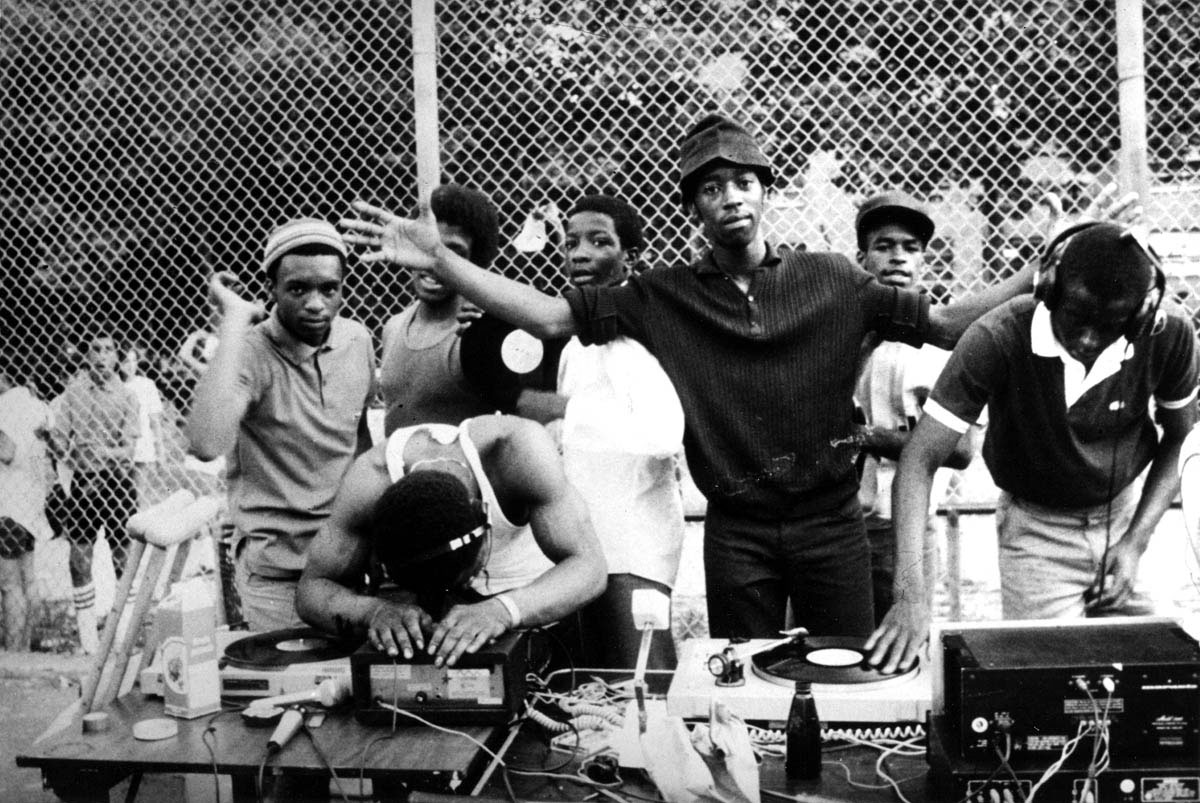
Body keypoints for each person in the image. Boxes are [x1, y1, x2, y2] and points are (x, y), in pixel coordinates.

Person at [342, 114, 1043, 670]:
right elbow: (553, 315)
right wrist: (443, 261)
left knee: (845, 680)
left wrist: (1035, 275)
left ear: (765, 191)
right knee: (744, 686)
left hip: (833, 523)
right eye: (711, 188)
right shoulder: (662, 295)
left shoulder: (835, 278)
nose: (730, 197)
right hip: (738, 530)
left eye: (742, 181)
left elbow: (950, 325)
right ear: (694, 211)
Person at [889, 222, 1197, 660]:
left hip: (1125, 516)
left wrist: (1135, 543)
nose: (1089, 338)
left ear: (1142, 313)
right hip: (1037, 532)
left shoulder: (1167, 334)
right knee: (1047, 684)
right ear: (1049, 289)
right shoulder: (997, 335)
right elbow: (919, 460)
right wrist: (909, 598)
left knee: (1163, 677)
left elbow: (1181, 438)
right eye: (1076, 318)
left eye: (1109, 326)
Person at [295, 414, 606, 668]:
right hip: (445, 637)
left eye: (464, 577)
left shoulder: (517, 450)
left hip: (541, 609)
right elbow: (312, 589)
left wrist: (502, 610)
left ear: (484, 522)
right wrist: (373, 612)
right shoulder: (370, 482)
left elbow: (589, 566)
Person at [185, 218, 375, 631]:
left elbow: (360, 445)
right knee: (292, 692)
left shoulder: (358, 341)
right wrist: (234, 318)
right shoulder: (251, 354)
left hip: (349, 566)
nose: (315, 303)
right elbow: (203, 442)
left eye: (329, 288)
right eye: (297, 289)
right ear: (272, 289)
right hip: (280, 576)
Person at [554, 194, 686, 670]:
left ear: (631, 256)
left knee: (643, 682)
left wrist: (565, 418)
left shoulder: (639, 334)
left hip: (636, 533)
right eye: (571, 243)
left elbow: (663, 434)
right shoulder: (574, 343)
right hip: (585, 534)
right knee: (590, 685)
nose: (580, 253)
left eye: (598, 241)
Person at [851, 192, 981, 625]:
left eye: (911, 248)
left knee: (903, 644)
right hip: (835, 522)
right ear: (862, 257)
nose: (898, 258)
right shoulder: (844, 332)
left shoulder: (938, 342)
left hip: (902, 524)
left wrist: (870, 438)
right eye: (884, 246)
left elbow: (961, 451)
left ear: (924, 259)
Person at [379, 185, 511, 434]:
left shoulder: (477, 330)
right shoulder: (393, 327)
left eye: (452, 252)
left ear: (475, 260)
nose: (432, 262)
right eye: (423, 247)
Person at [52, 331, 139, 653]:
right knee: (78, 559)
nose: (101, 356)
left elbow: (128, 449)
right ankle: (88, 639)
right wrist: (61, 446)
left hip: (116, 483)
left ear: (117, 356)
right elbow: (61, 439)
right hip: (83, 483)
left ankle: (123, 638)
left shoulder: (128, 395)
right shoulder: (74, 394)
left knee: (123, 558)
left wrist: (101, 452)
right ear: (87, 355)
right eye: (95, 350)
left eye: (108, 350)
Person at [0, 364, 54, 651]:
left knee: (9, 585)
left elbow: (7, 452)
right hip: (29, 504)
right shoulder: (36, 404)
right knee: (27, 578)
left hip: (6, 504)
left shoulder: (4, 406)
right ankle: (25, 647)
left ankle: (12, 651)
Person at [119, 342, 166, 508]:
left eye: (134, 361)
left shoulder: (146, 385)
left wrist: (160, 451)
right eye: (126, 361)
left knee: (140, 495)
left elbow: (155, 421)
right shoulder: (115, 386)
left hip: (142, 445)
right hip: (120, 447)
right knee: (120, 494)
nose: (131, 365)